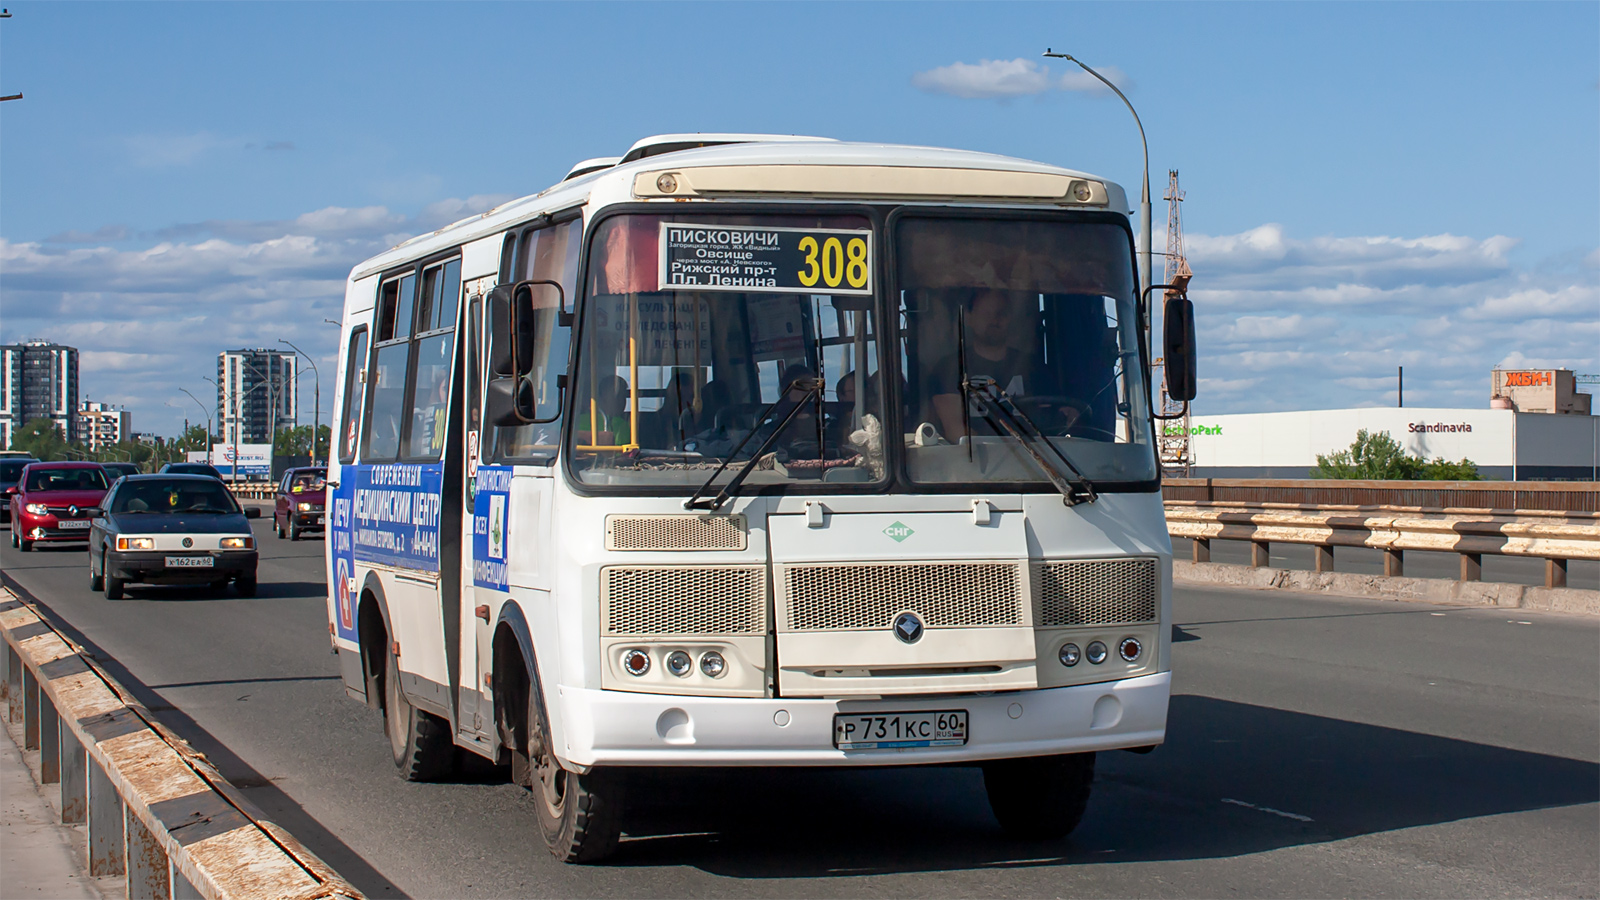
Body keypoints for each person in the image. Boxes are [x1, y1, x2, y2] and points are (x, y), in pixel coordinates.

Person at [930, 289, 1033, 440]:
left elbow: (1053, 421)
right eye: (986, 314)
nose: (995, 320)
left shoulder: (1034, 367)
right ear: (969, 318)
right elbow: (955, 430)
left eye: (1001, 313)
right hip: (975, 462)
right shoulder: (950, 369)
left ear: (1010, 318)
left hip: (1035, 459)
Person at [575, 375, 632, 447]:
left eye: (624, 396)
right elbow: (620, 456)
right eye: (618, 395)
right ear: (603, 396)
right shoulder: (621, 425)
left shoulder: (576, 420)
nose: (622, 401)